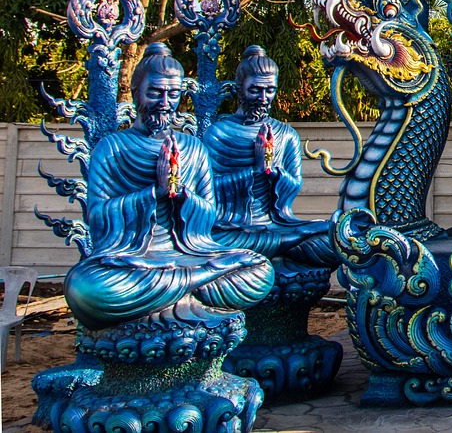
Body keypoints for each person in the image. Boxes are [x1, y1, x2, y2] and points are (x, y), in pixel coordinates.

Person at [63, 43, 274, 330]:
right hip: (133, 260)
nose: (165, 102)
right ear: (137, 92)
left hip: (187, 253)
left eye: (173, 94)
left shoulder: (193, 148)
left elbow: (210, 214)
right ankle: (190, 289)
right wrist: (155, 193)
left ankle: (180, 288)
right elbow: (97, 215)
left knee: (260, 269)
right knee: (85, 289)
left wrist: (183, 195)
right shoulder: (112, 147)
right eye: (155, 93)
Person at [204, 46, 338, 269]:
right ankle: (275, 248)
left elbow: (294, 184)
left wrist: (273, 172)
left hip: (275, 223)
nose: (263, 98)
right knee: (218, 244)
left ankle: (277, 246)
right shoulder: (218, 133)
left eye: (270, 90)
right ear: (240, 89)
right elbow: (208, 190)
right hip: (233, 228)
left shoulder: (285, 134)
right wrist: (254, 172)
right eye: (255, 90)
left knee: (330, 243)